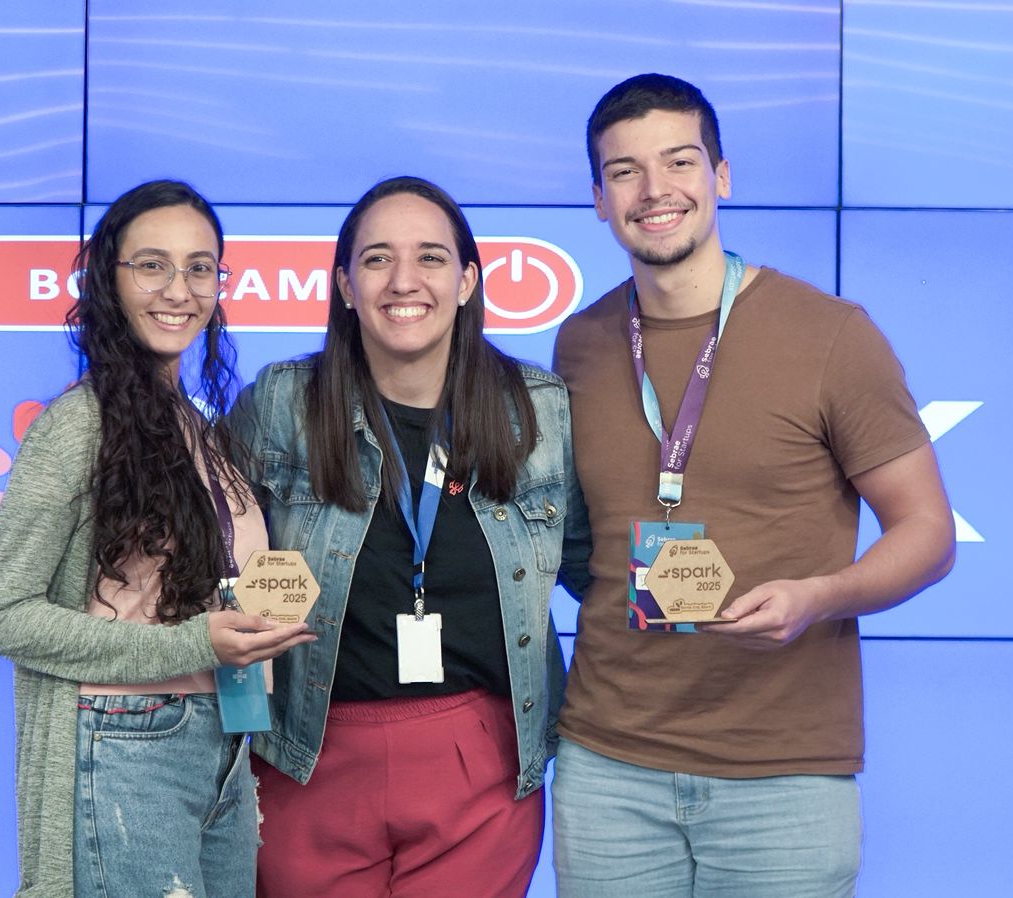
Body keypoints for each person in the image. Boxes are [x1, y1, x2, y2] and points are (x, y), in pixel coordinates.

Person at [551, 74, 957, 896]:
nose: (655, 189)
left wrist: (818, 596)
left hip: (784, 774)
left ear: (722, 176)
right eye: (625, 171)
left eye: (679, 161)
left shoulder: (831, 335)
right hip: (609, 766)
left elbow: (928, 533)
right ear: (598, 199)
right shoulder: (580, 343)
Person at [227, 175, 589, 898]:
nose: (403, 280)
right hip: (305, 755)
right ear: (344, 285)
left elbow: (596, 570)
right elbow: (207, 559)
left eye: (430, 257)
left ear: (467, 281)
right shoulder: (281, 404)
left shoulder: (538, 410)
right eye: (376, 259)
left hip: (479, 765)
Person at [0, 179, 315, 898]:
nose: (179, 290)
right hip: (125, 741)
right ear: (109, 277)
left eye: (199, 268)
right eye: (152, 265)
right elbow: (4, 615)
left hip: (222, 741)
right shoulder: (78, 425)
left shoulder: (196, 426)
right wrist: (193, 645)